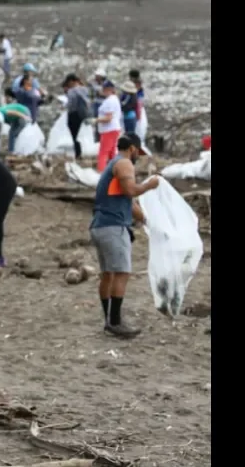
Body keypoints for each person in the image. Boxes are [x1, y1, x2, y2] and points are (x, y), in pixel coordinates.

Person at [90, 133, 159, 338]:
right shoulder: (124, 163)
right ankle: (115, 322)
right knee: (122, 272)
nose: (138, 156)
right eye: (138, 152)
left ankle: (108, 320)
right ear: (132, 148)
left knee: (108, 274)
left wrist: (147, 221)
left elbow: (128, 202)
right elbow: (131, 191)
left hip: (99, 226)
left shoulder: (112, 166)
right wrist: (150, 185)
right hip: (113, 227)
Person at [91, 80, 122, 172]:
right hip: (113, 129)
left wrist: (96, 120)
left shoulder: (110, 101)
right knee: (112, 153)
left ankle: (101, 172)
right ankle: (115, 171)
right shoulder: (113, 99)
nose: (103, 91)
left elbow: (108, 118)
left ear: (109, 89)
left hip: (109, 129)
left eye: (104, 89)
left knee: (103, 153)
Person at [63, 73, 91, 159]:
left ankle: (78, 153)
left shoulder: (72, 91)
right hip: (83, 115)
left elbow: (71, 105)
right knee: (81, 134)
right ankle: (82, 151)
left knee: (75, 135)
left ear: (71, 82)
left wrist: (64, 105)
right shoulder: (85, 89)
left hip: (74, 115)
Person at [0, 90, 32, 154]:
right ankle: (11, 150)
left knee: (18, 133)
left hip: (23, 113)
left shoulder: (0, 112)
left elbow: (14, 112)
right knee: (12, 133)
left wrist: (24, 117)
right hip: (17, 117)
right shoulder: (0, 113)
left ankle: (21, 150)